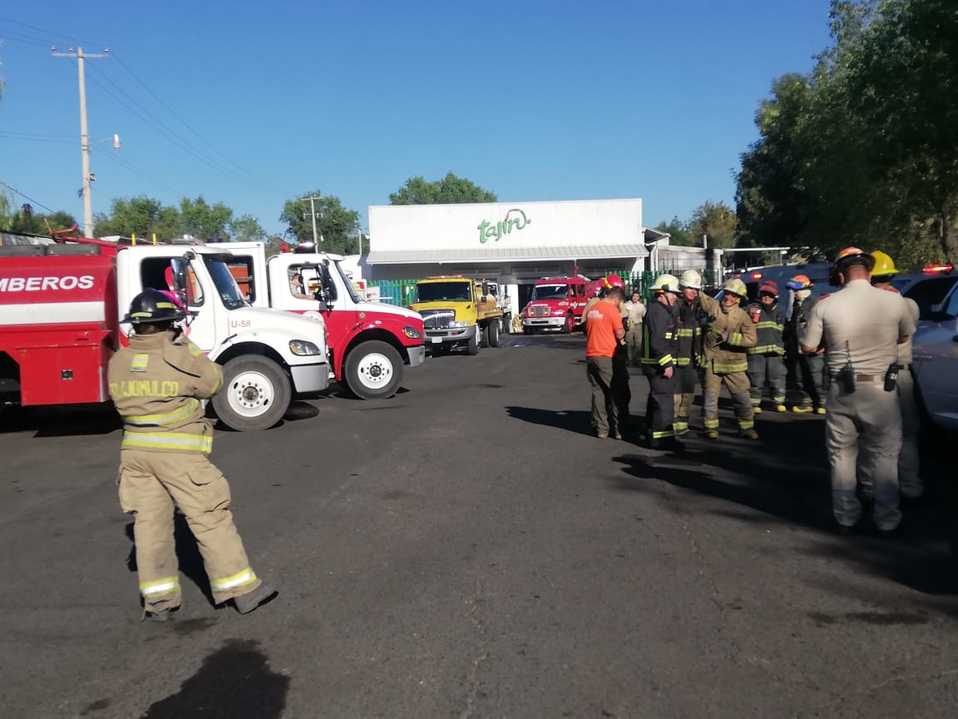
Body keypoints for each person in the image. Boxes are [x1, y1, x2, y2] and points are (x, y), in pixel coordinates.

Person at [108, 289, 277, 620]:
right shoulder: (177, 356)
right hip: (178, 454)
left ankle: (159, 602)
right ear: (169, 323)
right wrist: (187, 346)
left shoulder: (120, 361)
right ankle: (241, 590)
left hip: (135, 455)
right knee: (209, 517)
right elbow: (213, 382)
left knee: (149, 526)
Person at [801, 247, 916, 535]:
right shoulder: (894, 302)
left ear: (840, 273)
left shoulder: (826, 305)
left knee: (841, 454)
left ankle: (846, 516)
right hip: (882, 389)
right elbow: (905, 333)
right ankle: (887, 518)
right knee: (885, 455)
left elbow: (808, 346)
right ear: (869, 270)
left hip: (842, 388)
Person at [869, 250, 922, 500]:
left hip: (875, 376)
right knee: (907, 435)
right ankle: (911, 487)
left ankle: (872, 489)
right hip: (902, 375)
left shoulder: (867, 307)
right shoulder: (909, 304)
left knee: (872, 436)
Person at [698, 278, 759, 440]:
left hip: (734, 365)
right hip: (712, 362)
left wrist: (730, 337)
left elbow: (752, 340)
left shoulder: (743, 317)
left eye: (733, 295)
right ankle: (710, 428)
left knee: (742, 398)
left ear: (739, 299)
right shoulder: (714, 307)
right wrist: (693, 284)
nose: (728, 298)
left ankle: (746, 427)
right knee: (710, 399)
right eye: (727, 293)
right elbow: (701, 298)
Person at [641, 274, 681, 449]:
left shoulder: (660, 310)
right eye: (673, 293)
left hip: (655, 363)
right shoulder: (658, 311)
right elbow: (658, 341)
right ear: (662, 292)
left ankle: (652, 434)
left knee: (656, 399)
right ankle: (662, 439)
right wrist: (667, 363)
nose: (675, 297)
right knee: (664, 401)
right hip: (657, 364)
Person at [585, 284, 626, 439]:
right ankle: (618, 429)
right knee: (614, 392)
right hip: (605, 355)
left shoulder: (593, 309)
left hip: (591, 355)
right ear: (616, 298)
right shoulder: (612, 310)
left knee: (598, 392)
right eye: (619, 302)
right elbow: (620, 333)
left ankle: (602, 429)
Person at [783, 275, 826, 414]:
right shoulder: (795, 306)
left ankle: (822, 402)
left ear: (805, 289)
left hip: (814, 349)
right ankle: (806, 402)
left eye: (796, 290)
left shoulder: (815, 304)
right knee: (801, 377)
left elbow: (824, 325)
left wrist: (822, 344)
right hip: (798, 348)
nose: (794, 294)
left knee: (816, 377)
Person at [746, 280, 787, 413]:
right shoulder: (752, 308)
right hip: (756, 351)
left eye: (769, 295)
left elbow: (785, 331)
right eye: (764, 294)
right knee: (756, 378)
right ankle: (755, 404)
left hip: (775, 351)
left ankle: (779, 402)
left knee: (777, 377)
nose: (766, 297)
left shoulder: (779, 311)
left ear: (774, 296)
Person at [673, 270, 704, 436]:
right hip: (677, 359)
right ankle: (671, 424)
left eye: (696, 289)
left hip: (692, 358)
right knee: (675, 396)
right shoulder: (675, 307)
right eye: (691, 288)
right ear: (682, 287)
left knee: (688, 394)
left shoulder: (696, 306)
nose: (694, 291)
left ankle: (682, 424)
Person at [623, 290, 646, 366]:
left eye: (637, 296)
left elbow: (644, 315)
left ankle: (637, 360)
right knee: (629, 343)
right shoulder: (626, 304)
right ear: (631, 296)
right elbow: (623, 315)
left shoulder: (641, 306)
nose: (635, 298)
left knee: (638, 343)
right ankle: (630, 360)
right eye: (634, 296)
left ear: (639, 298)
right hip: (630, 325)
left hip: (638, 325)